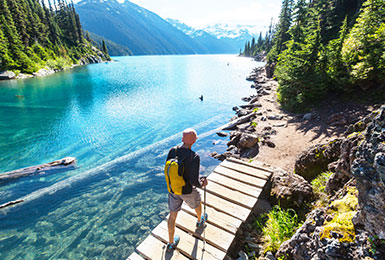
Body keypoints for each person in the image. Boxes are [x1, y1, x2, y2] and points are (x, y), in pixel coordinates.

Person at [166, 128, 208, 252]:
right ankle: (200, 221)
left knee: (172, 216)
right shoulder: (194, 156)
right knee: (197, 201)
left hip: (173, 189)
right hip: (186, 191)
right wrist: (202, 183)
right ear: (194, 141)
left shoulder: (172, 151)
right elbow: (194, 181)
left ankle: (170, 243)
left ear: (182, 139)